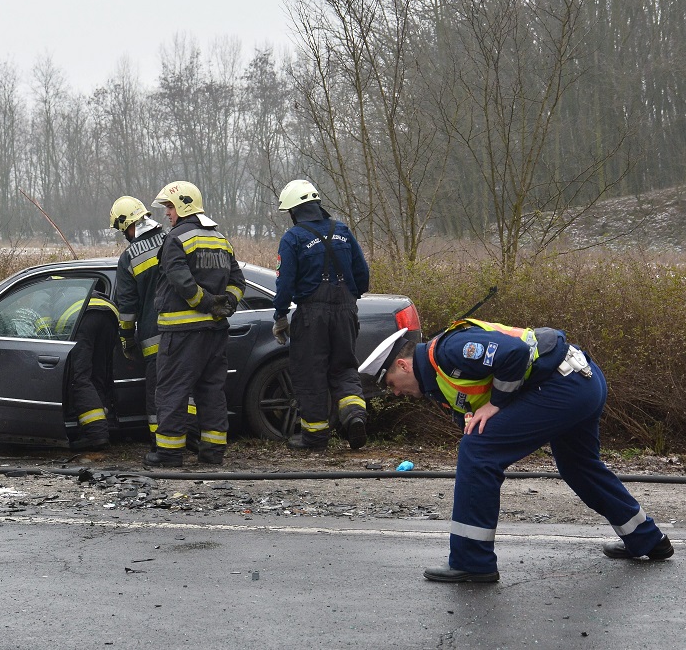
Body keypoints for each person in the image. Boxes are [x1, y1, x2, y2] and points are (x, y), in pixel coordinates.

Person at [360, 320, 675, 583]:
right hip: (582, 382)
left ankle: (472, 561)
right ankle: (647, 539)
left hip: (564, 385)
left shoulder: (449, 350)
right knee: (579, 466)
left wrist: (496, 404)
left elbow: (515, 353)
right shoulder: (436, 378)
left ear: (402, 364)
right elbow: (470, 405)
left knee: (478, 452)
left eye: (391, 383)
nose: (397, 392)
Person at [145, 180, 246, 468]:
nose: (167, 214)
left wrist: (206, 303)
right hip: (215, 334)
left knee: (171, 391)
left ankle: (168, 454)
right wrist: (225, 303)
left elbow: (180, 281)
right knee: (211, 391)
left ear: (181, 206)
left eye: (169, 207)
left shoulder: (177, 238)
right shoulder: (219, 238)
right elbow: (238, 282)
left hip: (181, 334)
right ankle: (213, 453)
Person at [272, 179, 370, 451]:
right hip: (346, 309)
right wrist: (349, 299)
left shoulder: (293, 237)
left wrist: (280, 315)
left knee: (310, 373)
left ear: (294, 211)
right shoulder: (342, 230)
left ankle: (315, 438)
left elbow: (285, 282)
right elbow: (362, 273)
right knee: (345, 368)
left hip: (311, 315)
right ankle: (354, 417)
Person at [110, 195, 166, 450]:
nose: (125, 236)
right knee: (186, 389)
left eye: (123, 230)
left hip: (154, 337)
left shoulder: (129, 257)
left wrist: (126, 339)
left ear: (127, 225)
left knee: (157, 393)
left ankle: (160, 445)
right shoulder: (172, 240)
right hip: (186, 332)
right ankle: (191, 439)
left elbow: (127, 308)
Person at [59, 283, 119, 452]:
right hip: (110, 314)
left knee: (79, 378)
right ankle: (95, 429)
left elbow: (45, 327)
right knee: (97, 376)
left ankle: (96, 434)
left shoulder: (49, 289)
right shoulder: (70, 284)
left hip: (83, 317)